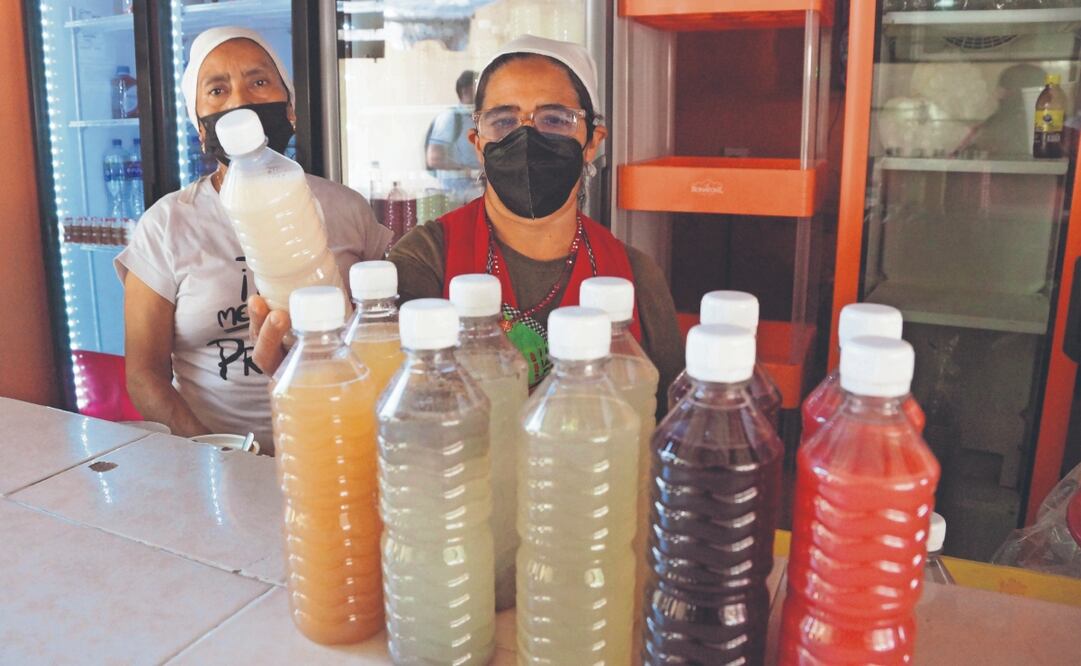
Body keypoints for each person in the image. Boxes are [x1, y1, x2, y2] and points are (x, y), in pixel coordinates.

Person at [253, 35, 683, 410]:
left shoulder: (634, 277)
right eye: (504, 122)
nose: (526, 136)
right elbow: (375, 405)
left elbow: (664, 426)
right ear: (478, 143)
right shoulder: (426, 259)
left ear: (591, 142)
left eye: (555, 120)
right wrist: (303, 368)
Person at [116, 27, 392, 452]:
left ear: (291, 110)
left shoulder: (348, 209)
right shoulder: (166, 226)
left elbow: (386, 323)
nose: (240, 101)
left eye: (259, 82)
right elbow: (144, 375)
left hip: (341, 447)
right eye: (217, 90)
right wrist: (212, 452)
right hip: (215, 465)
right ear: (202, 129)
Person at [425, 70, 482, 206]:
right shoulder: (450, 118)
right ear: (466, 91)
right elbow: (434, 159)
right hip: (454, 198)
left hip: (476, 194)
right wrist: (467, 170)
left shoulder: (478, 118)